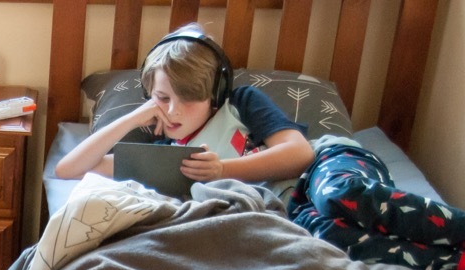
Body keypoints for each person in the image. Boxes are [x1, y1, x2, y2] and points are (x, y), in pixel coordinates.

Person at [54, 24, 313, 191]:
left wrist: (222, 170)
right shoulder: (165, 157)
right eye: (162, 98)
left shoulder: (241, 103)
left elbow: (300, 154)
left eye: (188, 98)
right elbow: (68, 170)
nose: (173, 111)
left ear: (216, 92)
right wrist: (131, 119)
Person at [287, 136, 465, 270]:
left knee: (339, 193)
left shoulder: (258, 103)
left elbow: (297, 151)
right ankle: (457, 262)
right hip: (295, 208)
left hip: (325, 159)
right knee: (328, 239)